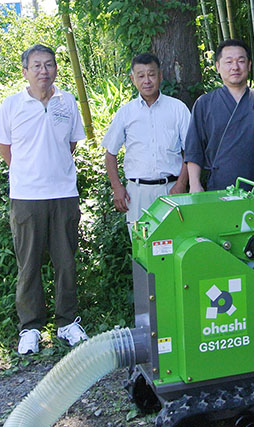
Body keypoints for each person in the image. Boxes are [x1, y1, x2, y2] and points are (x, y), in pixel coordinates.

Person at [0, 44, 88, 354]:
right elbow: (6, 149)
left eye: (49, 65)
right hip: (26, 197)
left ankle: (67, 322)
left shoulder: (67, 102)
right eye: (36, 66)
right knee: (29, 264)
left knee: (66, 262)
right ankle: (31, 328)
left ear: (55, 69)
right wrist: (30, 173)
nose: (43, 71)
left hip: (63, 194)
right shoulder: (11, 106)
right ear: (24, 71)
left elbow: (73, 142)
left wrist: (53, 170)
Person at [103, 53, 191, 234]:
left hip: (172, 190)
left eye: (151, 74)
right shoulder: (125, 113)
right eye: (141, 75)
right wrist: (117, 187)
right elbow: (110, 154)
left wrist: (182, 184)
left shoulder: (178, 108)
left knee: (175, 244)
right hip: (137, 194)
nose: (147, 80)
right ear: (132, 79)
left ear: (160, 75)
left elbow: (190, 150)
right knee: (141, 248)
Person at [185, 39, 254, 192]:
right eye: (229, 62)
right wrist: (194, 184)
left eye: (241, 61)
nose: (235, 67)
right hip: (219, 185)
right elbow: (194, 149)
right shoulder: (204, 103)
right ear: (218, 66)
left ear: (249, 65)